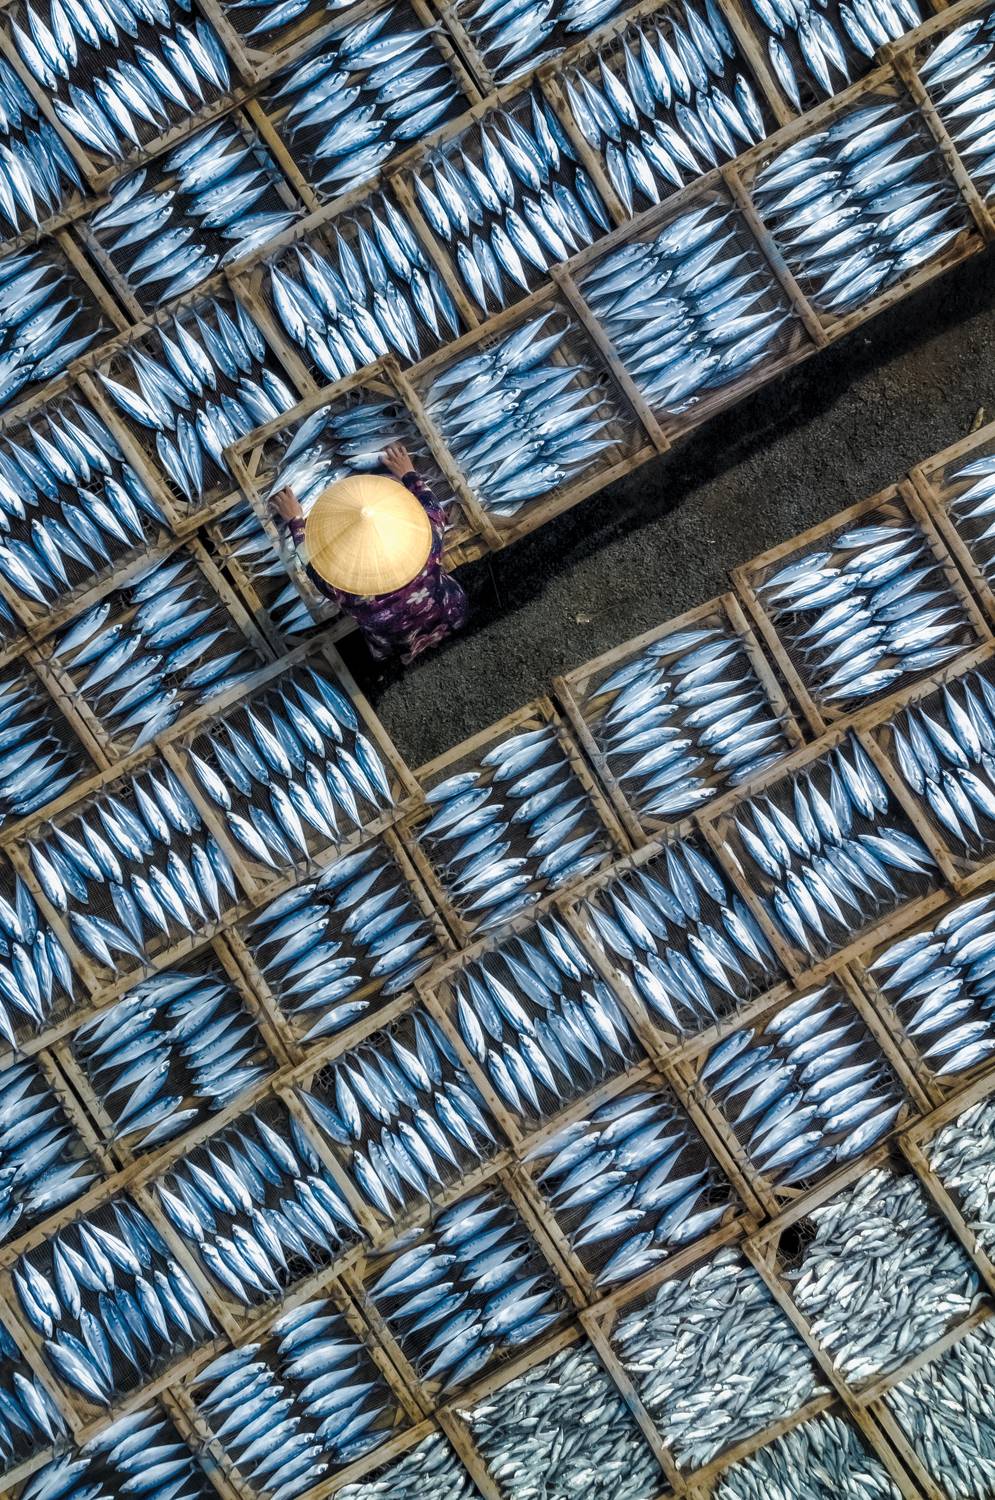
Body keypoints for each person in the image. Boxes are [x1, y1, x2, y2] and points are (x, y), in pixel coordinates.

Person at [273, 443, 468, 666]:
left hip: (394, 640)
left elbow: (309, 560)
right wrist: (408, 474)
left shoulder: (342, 591)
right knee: (450, 612)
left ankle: (406, 653)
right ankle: (449, 629)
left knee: (389, 643)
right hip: (450, 608)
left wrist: (296, 521)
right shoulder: (430, 542)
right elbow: (433, 508)